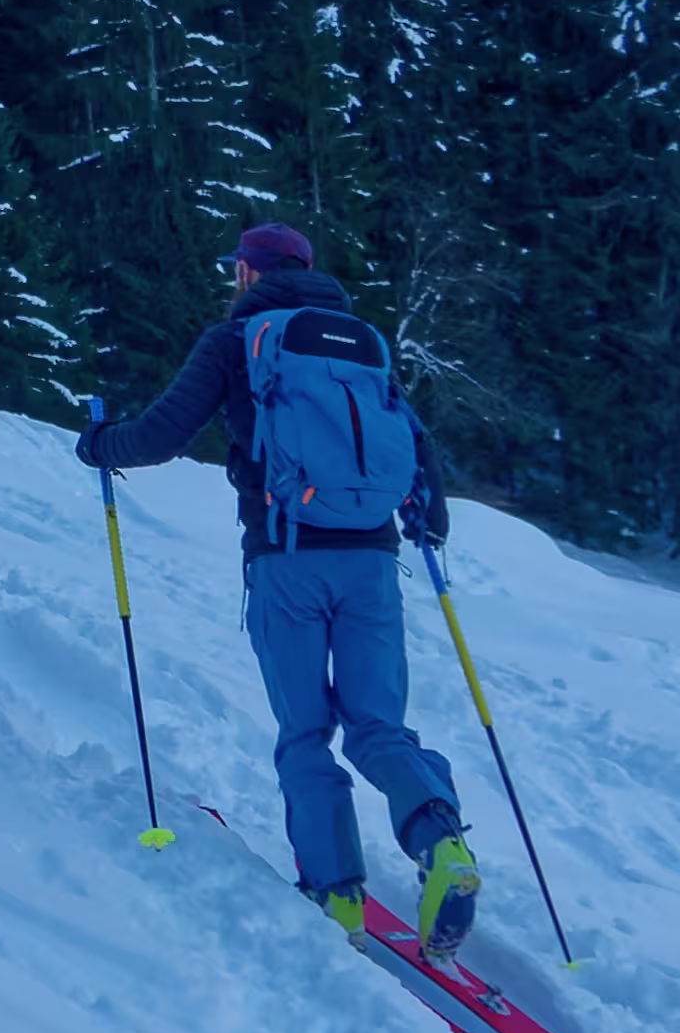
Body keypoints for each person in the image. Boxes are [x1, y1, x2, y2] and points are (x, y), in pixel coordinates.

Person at [76, 222, 480, 950]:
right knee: (379, 726)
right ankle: (443, 842)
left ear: (247, 274)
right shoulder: (363, 343)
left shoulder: (235, 339)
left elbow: (164, 434)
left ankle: (339, 895)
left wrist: (98, 446)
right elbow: (416, 444)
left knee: (305, 733)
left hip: (287, 560)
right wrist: (430, 524)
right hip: (371, 563)